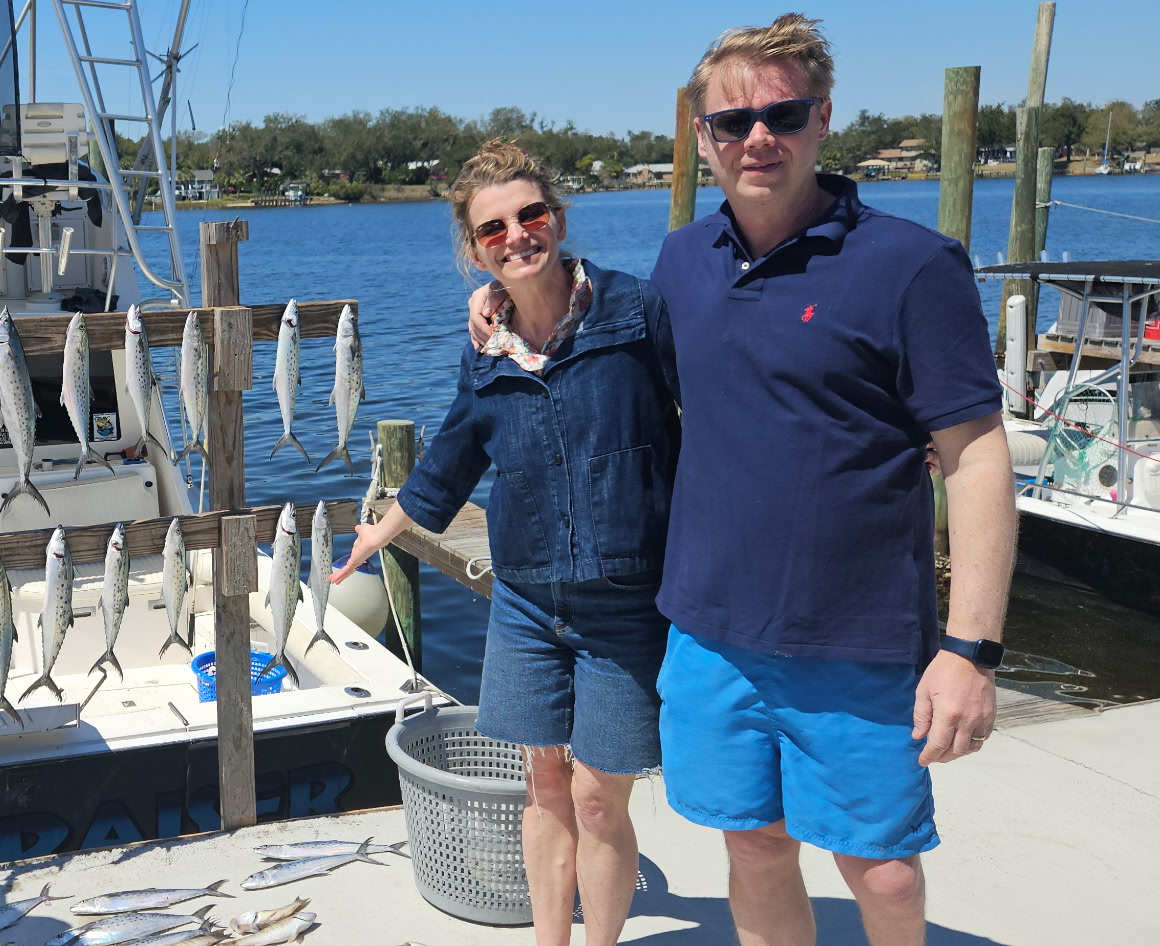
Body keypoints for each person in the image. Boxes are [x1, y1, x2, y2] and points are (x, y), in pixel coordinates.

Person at [471, 15, 1014, 946]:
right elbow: (590, 336)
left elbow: (976, 457)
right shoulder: (683, 260)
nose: (758, 137)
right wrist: (500, 299)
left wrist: (970, 651)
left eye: (784, 114)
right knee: (754, 847)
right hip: (708, 632)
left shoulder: (913, 265)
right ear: (703, 137)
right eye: (733, 122)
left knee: (882, 869)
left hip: (858, 636)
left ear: (822, 118)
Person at [337, 139, 680, 946]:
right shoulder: (486, 345)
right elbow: (455, 452)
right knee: (544, 785)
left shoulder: (638, 310)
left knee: (599, 799)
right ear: (474, 248)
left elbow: (708, 419)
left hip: (626, 599)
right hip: (526, 599)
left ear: (557, 218)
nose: (517, 235)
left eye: (531, 215)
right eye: (493, 228)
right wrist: (378, 531)